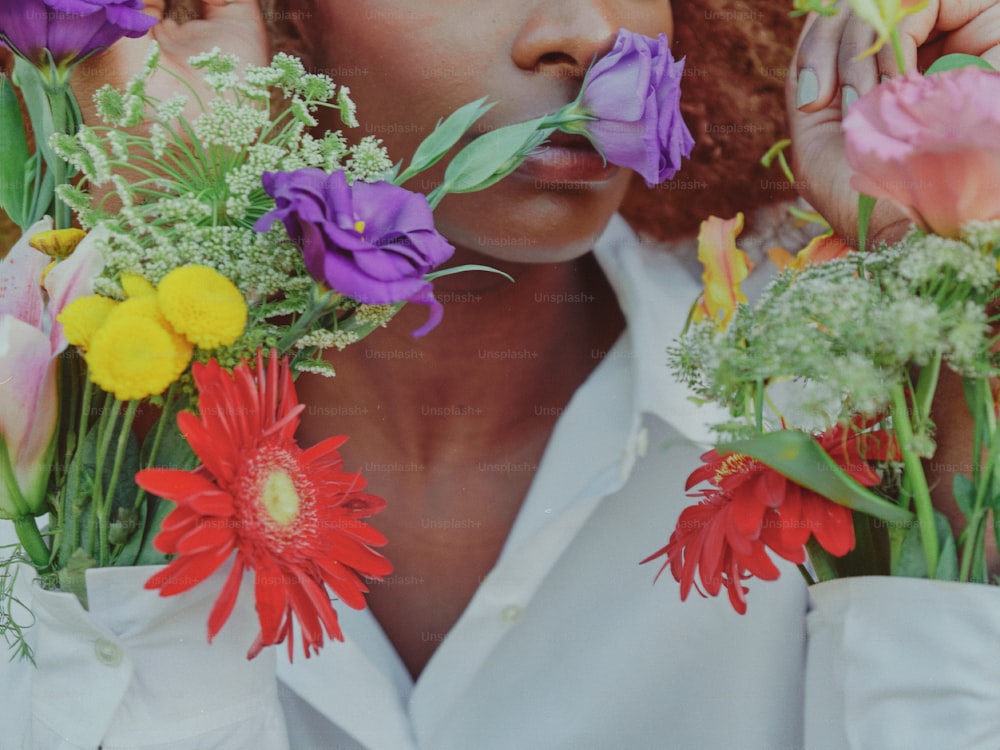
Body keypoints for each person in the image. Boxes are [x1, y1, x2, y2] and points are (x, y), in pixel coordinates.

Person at [2, 0, 999, 748]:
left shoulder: (833, 379)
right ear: (270, 16)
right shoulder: (34, 421)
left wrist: (956, 222)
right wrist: (172, 235)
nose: (580, 30)